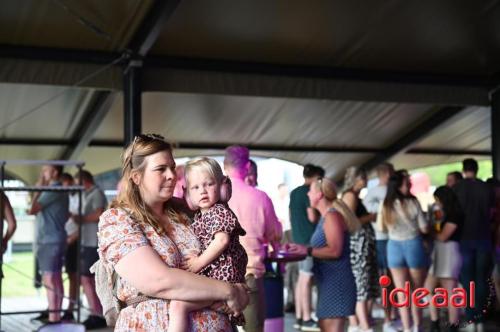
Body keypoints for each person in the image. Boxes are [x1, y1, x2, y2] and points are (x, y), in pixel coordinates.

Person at [97, 134, 249, 331]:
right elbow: (158, 281)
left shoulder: (188, 211)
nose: (171, 175)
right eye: (161, 169)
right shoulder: (117, 220)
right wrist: (229, 291)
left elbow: (226, 254)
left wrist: (239, 287)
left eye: (172, 167)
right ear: (137, 177)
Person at [168, 157, 248, 331]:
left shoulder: (218, 211)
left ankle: (222, 303)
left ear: (221, 186)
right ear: (187, 192)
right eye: (195, 187)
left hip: (223, 275)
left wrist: (197, 263)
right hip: (219, 277)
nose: (202, 191)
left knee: (178, 305)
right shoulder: (202, 216)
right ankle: (222, 305)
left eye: (209, 184)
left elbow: (222, 240)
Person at [224, 145, 282, 332]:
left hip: (219, 278)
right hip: (250, 275)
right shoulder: (261, 197)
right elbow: (275, 236)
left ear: (224, 166)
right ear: (248, 166)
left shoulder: (214, 196)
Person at [289, 177, 358, 332]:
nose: (308, 195)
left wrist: (306, 250)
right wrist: (299, 248)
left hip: (337, 283)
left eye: (310, 191)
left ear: (319, 195)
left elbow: (335, 251)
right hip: (328, 283)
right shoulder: (326, 217)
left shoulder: (332, 216)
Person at [376, 170, 429, 332]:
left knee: (401, 293)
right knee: (416, 291)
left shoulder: (385, 204)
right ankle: (417, 327)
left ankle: (406, 328)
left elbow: (381, 228)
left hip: (394, 247)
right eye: (407, 183)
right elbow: (424, 228)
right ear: (398, 185)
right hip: (413, 244)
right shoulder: (413, 202)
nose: (410, 186)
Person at [453, 158, 494, 329]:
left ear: (464, 170)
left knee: (467, 279)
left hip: (464, 239)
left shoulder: (457, 188)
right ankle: (481, 320)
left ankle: (471, 319)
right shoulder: (486, 188)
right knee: (482, 279)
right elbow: (491, 212)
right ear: (476, 170)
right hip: (484, 237)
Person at [28, 164, 69, 323]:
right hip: (55, 238)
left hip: (49, 240)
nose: (42, 173)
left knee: (50, 278)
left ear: (55, 172)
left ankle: (54, 318)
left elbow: (33, 208)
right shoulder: (56, 190)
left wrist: (39, 187)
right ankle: (55, 315)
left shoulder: (53, 189)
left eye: (45, 170)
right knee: (55, 277)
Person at [362, 162, 397, 332]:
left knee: (391, 280)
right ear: (385, 174)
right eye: (391, 173)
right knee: (387, 279)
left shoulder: (381, 192)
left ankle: (391, 315)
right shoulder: (377, 193)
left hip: (389, 238)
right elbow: (370, 215)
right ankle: (388, 318)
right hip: (383, 239)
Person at [71, 170, 108, 329]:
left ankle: (98, 314)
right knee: (86, 278)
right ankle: (95, 312)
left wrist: (81, 219)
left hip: (94, 241)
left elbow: (99, 214)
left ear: (83, 180)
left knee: (89, 277)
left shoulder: (96, 193)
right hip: (87, 240)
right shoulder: (87, 194)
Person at [342, 167, 377, 332]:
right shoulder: (350, 195)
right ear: (356, 179)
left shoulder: (354, 196)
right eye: (363, 178)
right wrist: (370, 217)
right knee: (360, 284)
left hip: (362, 244)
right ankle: (361, 324)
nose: (366, 181)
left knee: (364, 284)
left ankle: (359, 323)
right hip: (357, 246)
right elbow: (350, 221)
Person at [290, 164, 325, 331]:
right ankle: (306, 319)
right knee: (306, 279)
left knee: (301, 280)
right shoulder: (307, 192)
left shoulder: (294, 192)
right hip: (309, 240)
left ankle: (299, 316)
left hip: (297, 239)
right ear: (316, 177)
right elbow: (312, 217)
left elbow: (291, 215)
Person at [424, 186, 463, 332]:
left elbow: (443, 236)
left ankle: (453, 325)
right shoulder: (443, 214)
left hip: (449, 252)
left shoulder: (455, 215)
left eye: (438, 200)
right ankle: (435, 322)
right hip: (440, 252)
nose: (437, 203)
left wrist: (431, 230)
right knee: (428, 288)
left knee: (450, 292)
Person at [60, 173, 79, 321]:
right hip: (64, 239)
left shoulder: (78, 197)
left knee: (74, 276)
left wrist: (73, 237)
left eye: (66, 183)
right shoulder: (65, 198)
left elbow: (82, 221)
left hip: (75, 240)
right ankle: (59, 306)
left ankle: (70, 308)